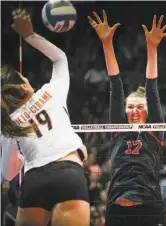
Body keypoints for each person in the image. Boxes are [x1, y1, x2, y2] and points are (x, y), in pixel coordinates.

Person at [1, 9, 90, 226]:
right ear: (23, 85)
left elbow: (8, 172)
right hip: (68, 174)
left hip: (35, 182)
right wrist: (30, 35)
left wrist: (22, 152)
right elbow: (60, 59)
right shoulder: (50, 92)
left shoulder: (8, 124)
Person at [88, 10, 166, 226]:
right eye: (130, 107)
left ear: (148, 111)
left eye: (139, 107)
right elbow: (115, 87)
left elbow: (152, 89)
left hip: (148, 205)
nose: (134, 111)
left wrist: (152, 48)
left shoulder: (155, 130)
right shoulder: (118, 129)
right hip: (117, 205)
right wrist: (107, 43)